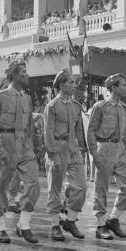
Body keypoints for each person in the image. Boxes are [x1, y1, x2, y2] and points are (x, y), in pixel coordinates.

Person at [0, 59, 40, 244]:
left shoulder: (27, 98)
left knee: (33, 182)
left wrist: (31, 147)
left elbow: (30, 128)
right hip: (5, 142)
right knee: (0, 187)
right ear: (14, 75)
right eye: (23, 71)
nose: (27, 74)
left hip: (23, 145)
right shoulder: (0, 97)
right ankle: (0, 226)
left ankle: (24, 224)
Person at [87, 73, 126, 240]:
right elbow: (91, 132)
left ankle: (113, 218)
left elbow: (125, 133)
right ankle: (100, 225)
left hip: (120, 150)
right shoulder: (100, 107)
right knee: (101, 188)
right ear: (113, 88)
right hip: (104, 147)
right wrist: (94, 153)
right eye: (123, 85)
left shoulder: (123, 108)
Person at [44, 70, 87, 241]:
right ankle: (55, 225)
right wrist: (52, 155)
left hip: (72, 149)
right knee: (55, 188)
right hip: (57, 147)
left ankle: (70, 220)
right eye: (71, 82)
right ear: (61, 85)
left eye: (74, 82)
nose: (74, 85)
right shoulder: (52, 106)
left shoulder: (75, 106)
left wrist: (81, 148)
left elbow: (78, 130)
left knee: (81, 186)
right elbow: (48, 133)